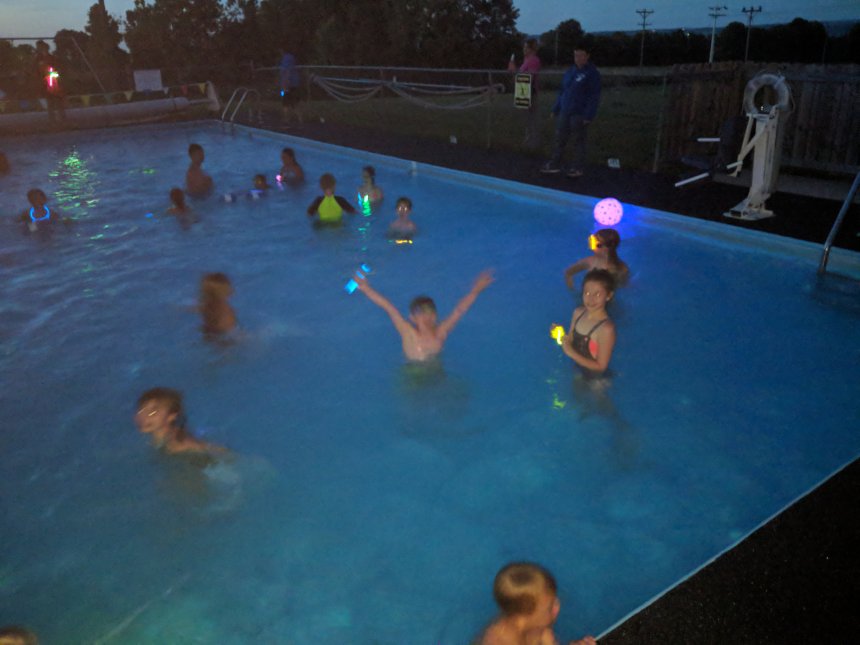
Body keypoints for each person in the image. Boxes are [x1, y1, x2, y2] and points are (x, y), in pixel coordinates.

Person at [354, 269, 494, 362]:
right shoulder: (408, 332)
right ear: (412, 318)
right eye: (421, 312)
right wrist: (366, 288)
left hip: (435, 373)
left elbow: (459, 310)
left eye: (430, 311)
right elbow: (388, 307)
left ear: (436, 316)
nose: (427, 315)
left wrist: (476, 290)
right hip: (412, 374)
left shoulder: (441, 332)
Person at [475, 562, 596, 645]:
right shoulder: (497, 640)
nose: (558, 606)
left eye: (555, 600)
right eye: (550, 608)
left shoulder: (540, 628)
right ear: (524, 617)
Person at [540, 46, 601, 178]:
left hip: (579, 112)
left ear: (587, 56)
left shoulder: (591, 73)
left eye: (581, 55)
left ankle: (577, 167)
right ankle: (555, 164)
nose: (578, 58)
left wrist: (588, 115)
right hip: (565, 110)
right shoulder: (570, 71)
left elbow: (594, 96)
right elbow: (563, 91)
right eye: (576, 55)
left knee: (578, 140)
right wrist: (556, 108)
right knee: (560, 138)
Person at [558, 269, 616, 377]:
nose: (591, 299)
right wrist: (560, 335)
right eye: (587, 293)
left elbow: (601, 366)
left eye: (597, 294)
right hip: (578, 369)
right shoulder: (578, 313)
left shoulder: (606, 328)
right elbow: (570, 338)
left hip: (597, 380)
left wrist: (571, 353)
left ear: (608, 296)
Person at [135, 387, 226, 456]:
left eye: (153, 412)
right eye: (141, 410)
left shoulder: (177, 444)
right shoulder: (157, 439)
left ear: (171, 416)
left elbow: (209, 449)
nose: (143, 417)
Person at [563, 229, 629, 289]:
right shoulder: (590, 261)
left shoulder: (621, 269)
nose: (592, 248)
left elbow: (624, 287)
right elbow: (568, 273)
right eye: (591, 242)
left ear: (607, 249)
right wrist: (573, 291)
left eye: (595, 244)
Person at [508, 38, 542, 150]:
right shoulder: (526, 60)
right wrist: (514, 71)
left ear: (532, 49)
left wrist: (516, 72)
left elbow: (529, 77)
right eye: (524, 47)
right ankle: (528, 140)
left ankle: (533, 142)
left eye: (526, 47)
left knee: (531, 118)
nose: (524, 49)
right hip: (523, 92)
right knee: (527, 119)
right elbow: (521, 75)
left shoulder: (534, 60)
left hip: (530, 92)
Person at [199, 272, 237, 340]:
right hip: (226, 334)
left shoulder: (218, 308)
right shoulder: (222, 307)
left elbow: (224, 326)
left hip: (224, 335)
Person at [34, 40, 65, 123]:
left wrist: (52, 75)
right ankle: (52, 120)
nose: (38, 49)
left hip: (54, 83)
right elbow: (36, 71)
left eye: (40, 47)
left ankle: (61, 118)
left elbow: (58, 71)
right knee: (50, 101)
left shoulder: (52, 58)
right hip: (45, 84)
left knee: (58, 100)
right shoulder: (37, 59)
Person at [278, 48, 302, 126]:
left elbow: (286, 72)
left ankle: (286, 121)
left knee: (285, 102)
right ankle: (300, 120)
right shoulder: (292, 57)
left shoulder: (285, 59)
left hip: (287, 85)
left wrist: (284, 86)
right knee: (294, 103)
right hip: (294, 84)